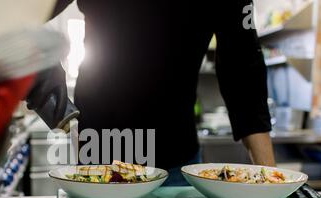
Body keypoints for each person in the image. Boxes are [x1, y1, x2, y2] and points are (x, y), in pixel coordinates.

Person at [32, 0, 276, 186]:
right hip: (103, 148)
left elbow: (243, 66)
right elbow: (25, 12)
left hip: (177, 155)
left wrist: (269, 180)